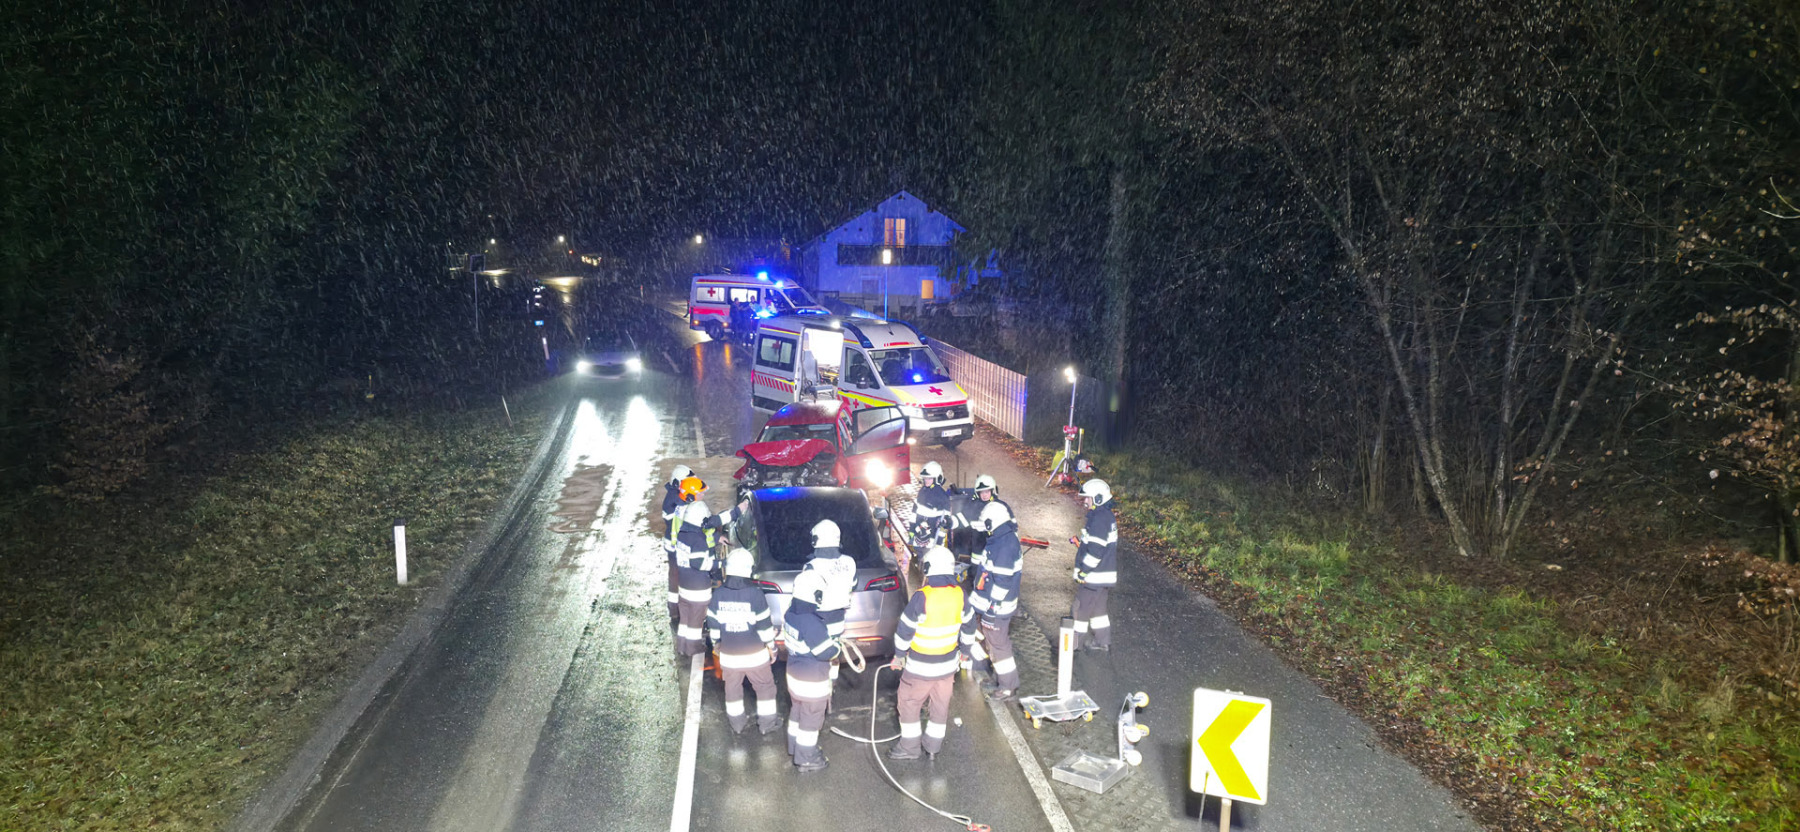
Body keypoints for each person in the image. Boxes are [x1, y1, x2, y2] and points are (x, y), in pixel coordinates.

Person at [887, 547, 970, 760]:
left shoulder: (922, 597)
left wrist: (899, 655)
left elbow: (905, 630)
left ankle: (910, 748)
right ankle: (933, 747)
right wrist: (965, 652)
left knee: (909, 703)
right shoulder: (960, 595)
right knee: (940, 707)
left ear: (928, 568)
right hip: (947, 667)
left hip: (919, 668)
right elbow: (969, 627)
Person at [670, 477, 747, 657]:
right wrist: (722, 563)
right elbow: (699, 563)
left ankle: (682, 646)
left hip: (684, 585)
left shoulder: (683, 533)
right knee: (696, 621)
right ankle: (693, 648)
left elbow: (707, 529)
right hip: (697, 589)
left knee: (685, 619)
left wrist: (717, 537)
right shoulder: (698, 540)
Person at [708, 548, 781, 735]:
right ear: (749, 569)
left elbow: (713, 627)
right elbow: (765, 628)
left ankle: (737, 725)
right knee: (765, 688)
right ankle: (767, 724)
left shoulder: (718, 594)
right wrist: (772, 648)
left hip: (729, 656)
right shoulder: (756, 594)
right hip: (755, 656)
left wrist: (717, 644)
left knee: (732, 690)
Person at [962, 500, 1023, 700]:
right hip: (991, 604)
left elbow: (1003, 582)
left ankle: (1008, 687)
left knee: (999, 646)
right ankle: (1000, 679)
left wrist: (991, 609)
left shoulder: (1004, 545)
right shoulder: (1000, 539)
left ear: (992, 522)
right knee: (992, 642)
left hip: (997, 608)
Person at [784, 569, 840, 772]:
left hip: (794, 676)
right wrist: (837, 646)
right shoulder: (811, 622)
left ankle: (794, 747)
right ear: (815, 594)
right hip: (812, 681)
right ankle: (806, 758)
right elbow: (826, 652)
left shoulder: (790, 613)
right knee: (811, 718)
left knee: (797, 712)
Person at [800, 519, 857, 694]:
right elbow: (853, 584)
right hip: (838, 620)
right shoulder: (849, 562)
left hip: (817, 621)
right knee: (833, 653)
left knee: (816, 654)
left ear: (815, 540)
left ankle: (817, 687)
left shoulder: (811, 567)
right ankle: (832, 684)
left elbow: (804, 595)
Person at [1070, 479, 1118, 651]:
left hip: (1094, 576)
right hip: (1103, 576)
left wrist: (1083, 571)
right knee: (1098, 611)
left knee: (1080, 609)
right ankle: (1102, 641)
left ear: (1098, 498)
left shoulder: (1099, 519)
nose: (1085, 501)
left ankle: (1072, 645)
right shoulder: (1105, 516)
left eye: (1087, 498)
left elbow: (1096, 551)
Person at [661, 465, 695, 625]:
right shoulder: (674, 498)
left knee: (677, 576)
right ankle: (675, 610)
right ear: (677, 483)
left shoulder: (677, 495)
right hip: (675, 546)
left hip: (676, 543)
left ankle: (676, 609)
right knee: (676, 577)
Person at [910, 461, 954, 548]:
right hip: (918, 535)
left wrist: (939, 541)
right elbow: (914, 512)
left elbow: (944, 520)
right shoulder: (922, 491)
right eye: (925, 478)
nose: (926, 481)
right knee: (918, 554)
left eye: (929, 478)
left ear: (937, 478)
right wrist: (911, 530)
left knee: (929, 555)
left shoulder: (941, 496)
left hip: (933, 538)